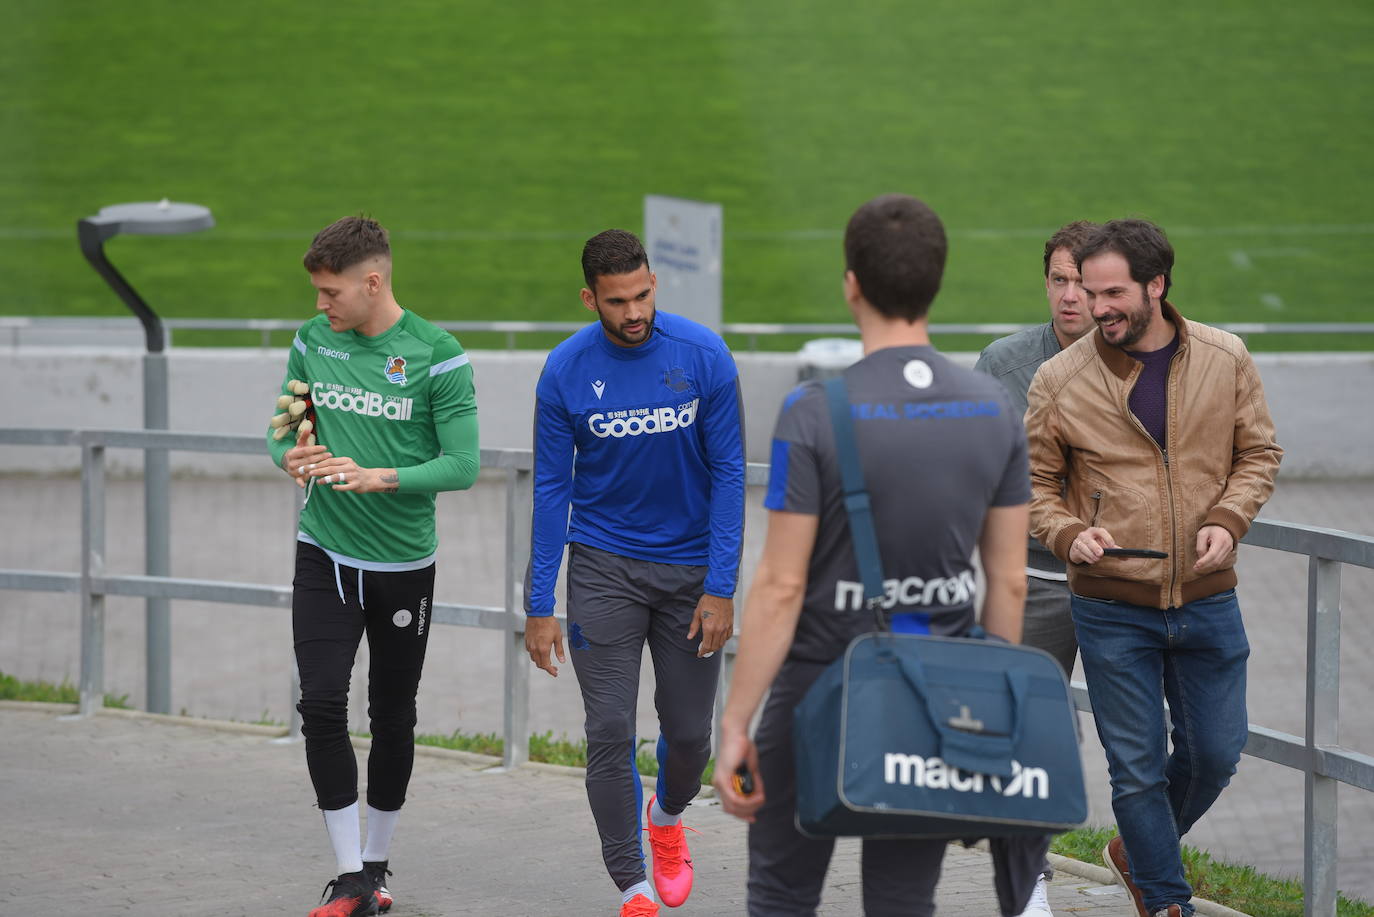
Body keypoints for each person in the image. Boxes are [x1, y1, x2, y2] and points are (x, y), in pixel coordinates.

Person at [712, 193, 1039, 917]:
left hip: (815, 691)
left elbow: (780, 585)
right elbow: (1010, 581)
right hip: (933, 695)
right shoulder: (994, 406)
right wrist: (985, 715)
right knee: (902, 901)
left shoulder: (812, 412)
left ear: (851, 283)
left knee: (781, 894)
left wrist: (736, 722)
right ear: (936, 282)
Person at [1024, 219, 1282, 917]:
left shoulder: (1226, 358)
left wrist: (1229, 520)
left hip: (1206, 599)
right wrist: (1068, 532)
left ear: (1156, 285)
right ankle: (1167, 901)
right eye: (1085, 289)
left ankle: (1136, 854)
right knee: (1135, 769)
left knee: (1216, 753)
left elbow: (1259, 455)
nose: (1095, 305)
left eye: (1111, 292)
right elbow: (1035, 488)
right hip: (1110, 607)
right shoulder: (1059, 378)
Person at [523, 229, 746, 917]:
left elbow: (731, 471)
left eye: (643, 295)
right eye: (618, 301)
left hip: (688, 576)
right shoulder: (564, 371)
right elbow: (552, 490)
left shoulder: (703, 354)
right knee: (608, 728)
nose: (634, 312)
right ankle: (632, 881)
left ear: (654, 284)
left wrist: (721, 584)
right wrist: (537, 602)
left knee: (688, 736)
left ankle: (668, 815)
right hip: (602, 570)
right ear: (591, 297)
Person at [268, 215, 480, 917]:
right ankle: (350, 872)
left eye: (331, 292)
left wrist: (381, 475)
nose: (321, 305)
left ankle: (380, 861)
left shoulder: (437, 355)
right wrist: (288, 454)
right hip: (322, 552)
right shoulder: (310, 340)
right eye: (318, 293)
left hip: (401, 567)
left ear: (373, 281)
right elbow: (282, 427)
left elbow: (463, 465)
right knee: (321, 704)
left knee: (392, 715)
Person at [973, 220, 1100, 917]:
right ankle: (1029, 878)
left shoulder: (1142, 358)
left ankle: (1143, 859)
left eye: (1084, 282)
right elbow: (972, 465)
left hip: (1119, 581)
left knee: (1154, 739)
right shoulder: (1005, 363)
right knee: (1031, 727)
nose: (1071, 295)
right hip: (1033, 579)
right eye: (1059, 279)